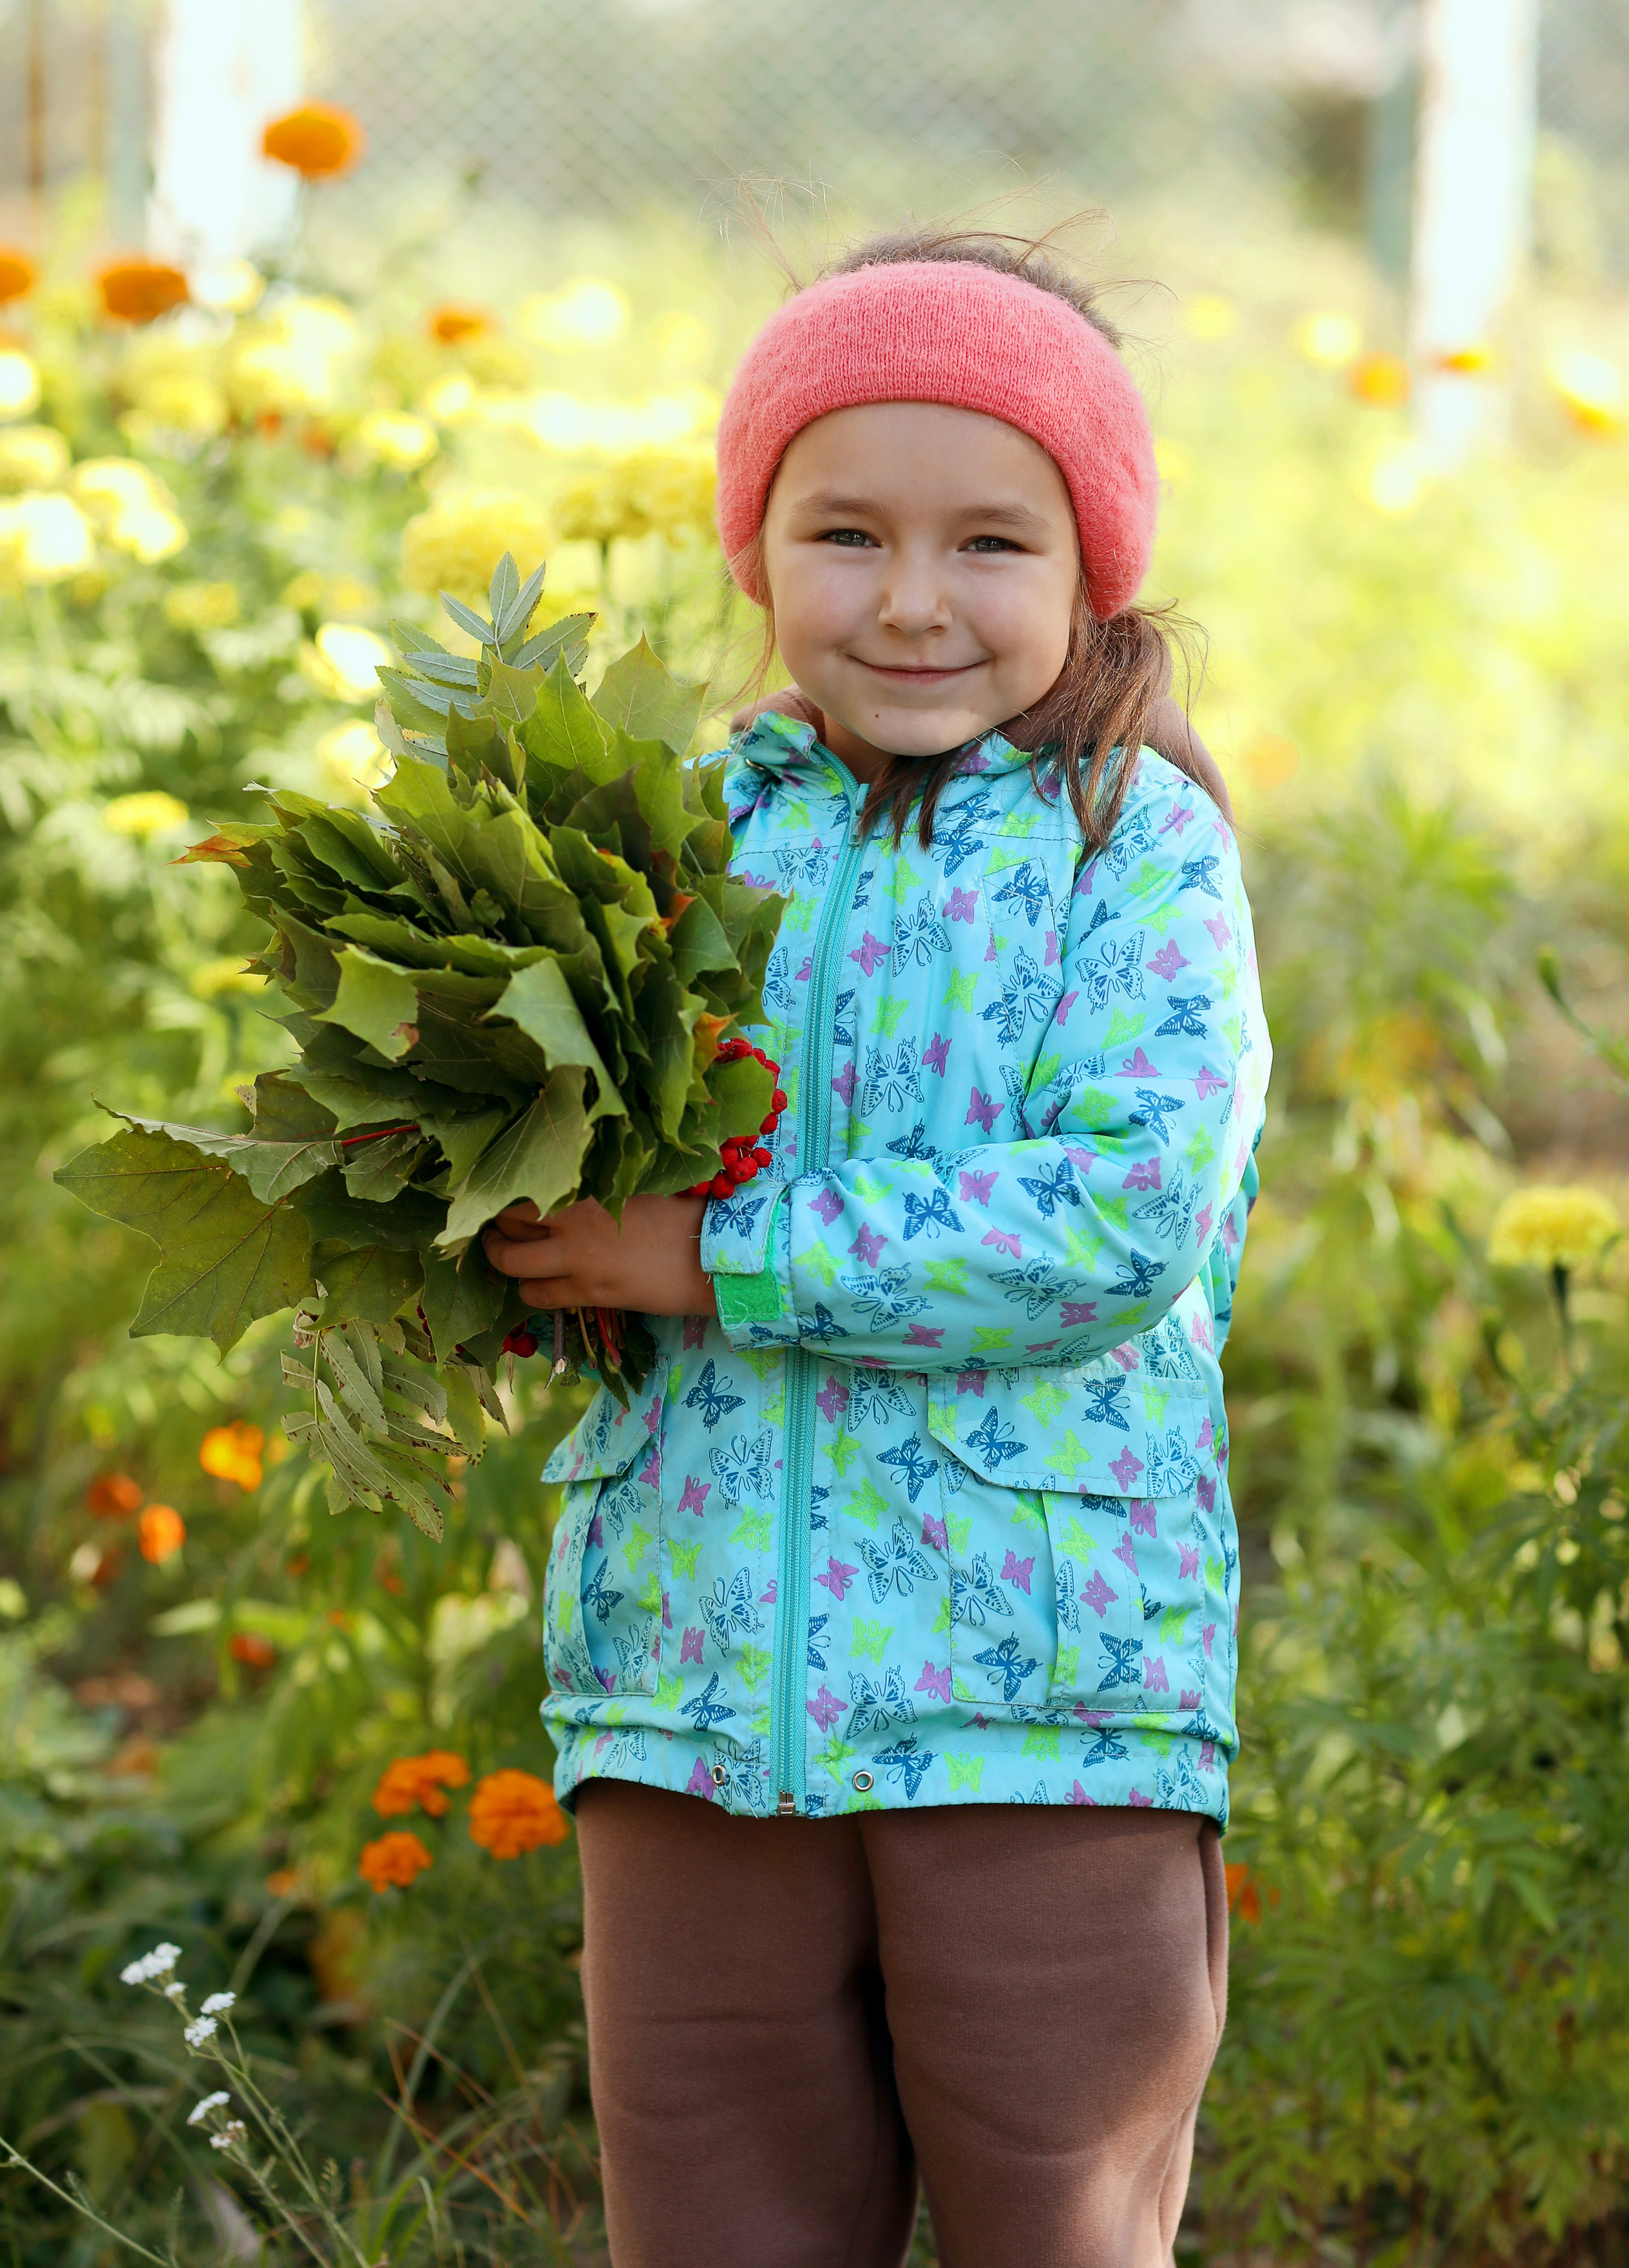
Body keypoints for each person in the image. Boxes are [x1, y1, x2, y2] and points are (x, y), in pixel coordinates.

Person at [481, 228, 1272, 2268]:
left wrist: (714, 1257)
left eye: (991, 542)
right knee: (716, 2220)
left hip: (1043, 1699)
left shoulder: (1132, 847)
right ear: (756, 548)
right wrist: (500, 1228)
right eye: (847, 532)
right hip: (687, 1686)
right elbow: (580, 1190)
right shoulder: (665, 842)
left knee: (1055, 2214)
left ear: (1093, 566)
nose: (913, 598)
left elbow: (1119, 1214)